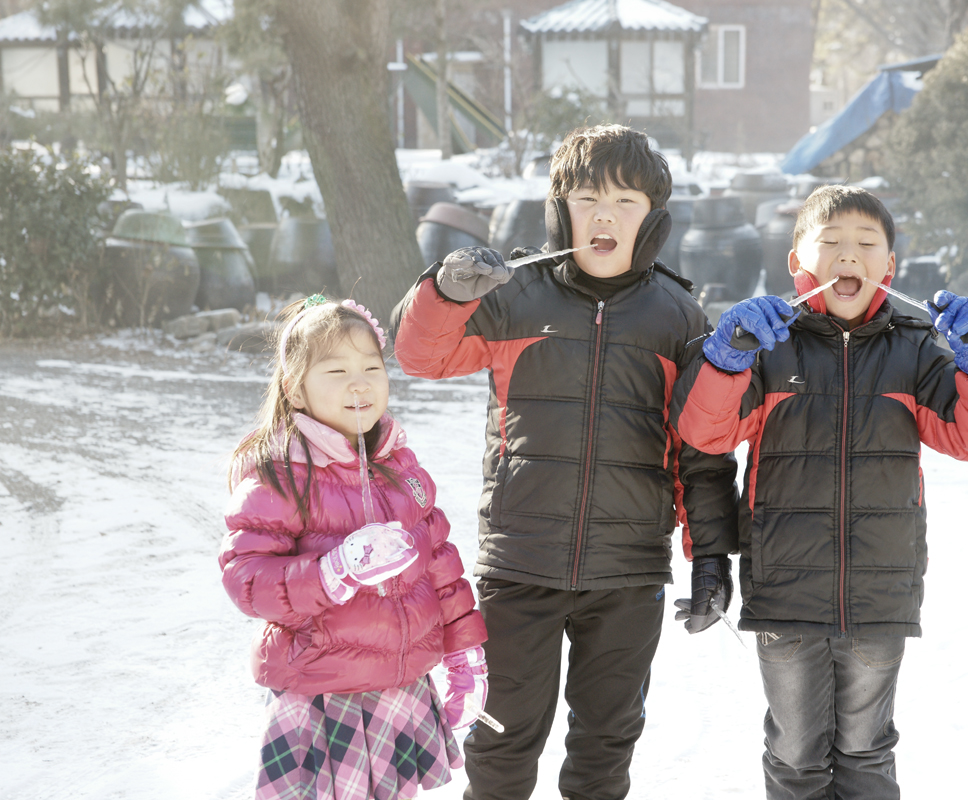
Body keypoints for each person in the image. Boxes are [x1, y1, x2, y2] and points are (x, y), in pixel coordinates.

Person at [390, 124, 739, 800]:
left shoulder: (679, 317)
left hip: (628, 573)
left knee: (606, 744)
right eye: (588, 199)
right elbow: (421, 356)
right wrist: (445, 292)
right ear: (559, 211)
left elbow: (703, 452)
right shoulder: (513, 296)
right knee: (501, 737)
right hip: (520, 564)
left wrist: (711, 560)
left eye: (626, 202)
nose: (605, 216)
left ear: (653, 221)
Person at [670, 185, 968, 800]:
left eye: (865, 244)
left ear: (890, 264)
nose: (848, 255)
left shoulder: (916, 348)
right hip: (784, 592)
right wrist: (727, 359)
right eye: (829, 242)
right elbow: (706, 432)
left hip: (880, 595)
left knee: (865, 751)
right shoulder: (769, 348)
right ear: (796, 260)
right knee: (795, 754)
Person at [219, 295, 488, 800]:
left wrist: (464, 654)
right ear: (295, 388)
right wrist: (334, 571)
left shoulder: (399, 464)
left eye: (371, 367)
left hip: (400, 688)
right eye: (337, 370)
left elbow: (440, 564)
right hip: (322, 694)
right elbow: (247, 579)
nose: (359, 383)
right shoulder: (282, 473)